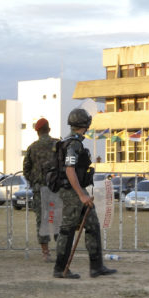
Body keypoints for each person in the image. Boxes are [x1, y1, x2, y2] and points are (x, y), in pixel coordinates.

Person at [52, 108, 117, 279]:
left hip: (73, 192)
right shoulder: (73, 144)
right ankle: (60, 268)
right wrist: (81, 195)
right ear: (84, 124)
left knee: (91, 225)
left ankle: (96, 266)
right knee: (68, 230)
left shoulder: (69, 141)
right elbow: (70, 170)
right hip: (73, 193)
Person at [23, 117, 58, 261]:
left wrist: (34, 181)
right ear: (49, 130)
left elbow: (26, 170)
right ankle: (62, 250)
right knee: (57, 218)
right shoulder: (58, 144)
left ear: (37, 132)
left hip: (39, 189)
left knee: (42, 220)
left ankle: (46, 253)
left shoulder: (32, 148)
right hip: (56, 188)